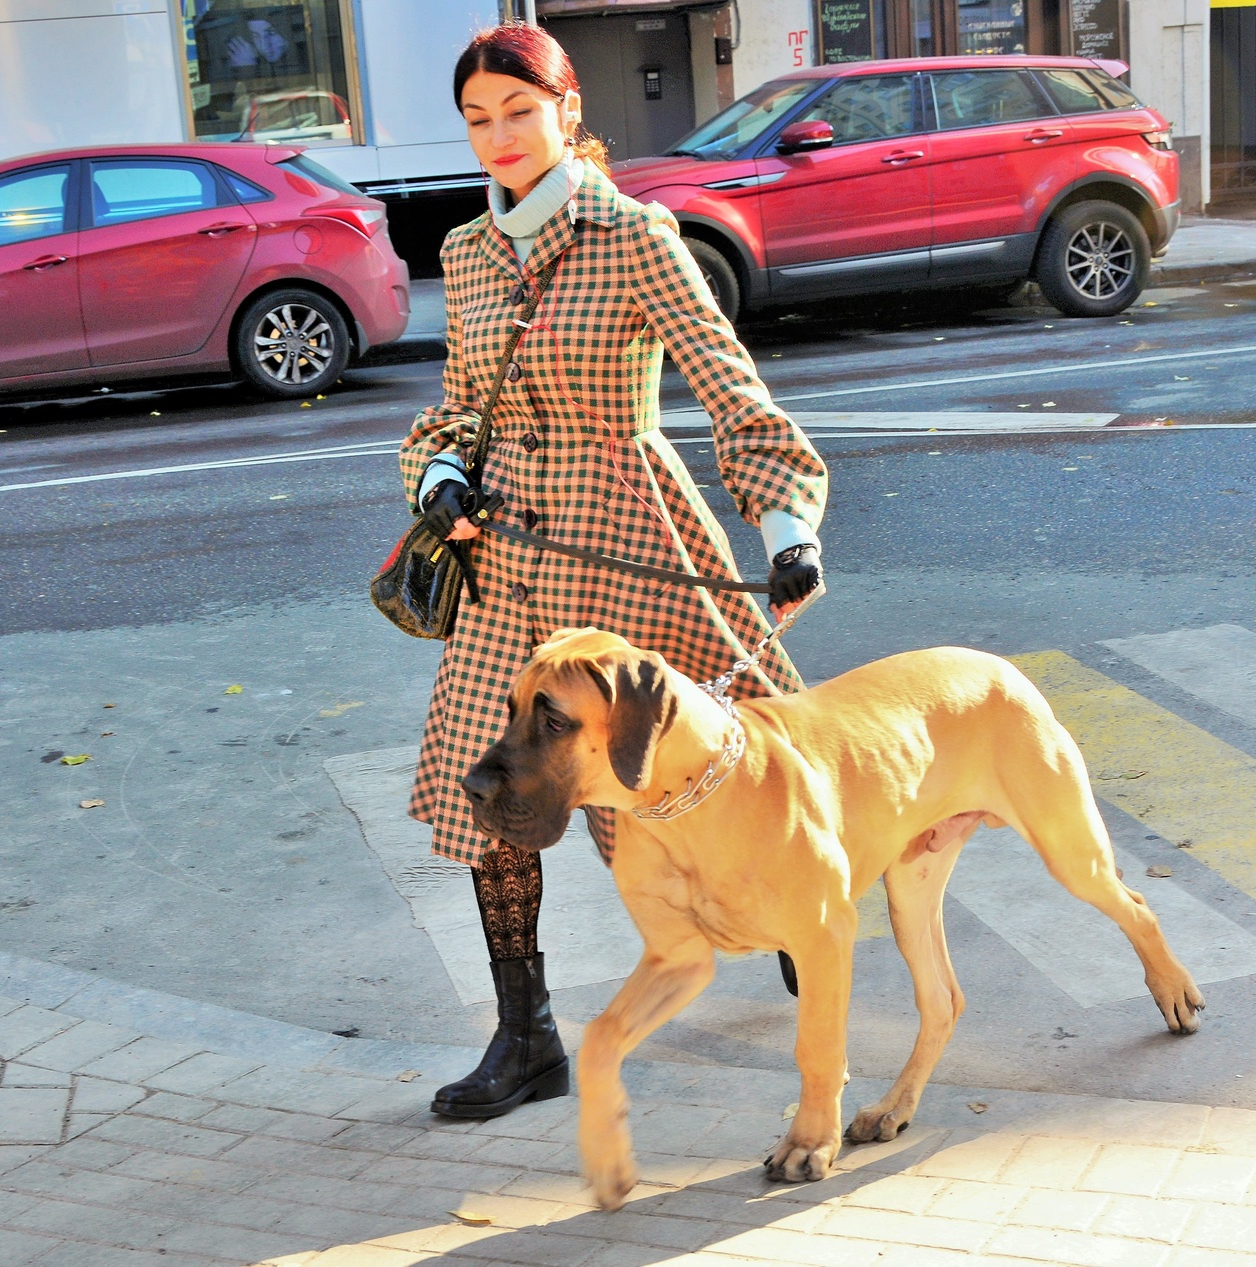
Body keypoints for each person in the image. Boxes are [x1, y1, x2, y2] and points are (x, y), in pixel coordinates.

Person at [401, 23, 827, 1120]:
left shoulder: (633, 234)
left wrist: (785, 528)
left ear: (566, 110)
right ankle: (526, 1036)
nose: (498, 136)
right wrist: (443, 475)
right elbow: (457, 405)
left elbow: (731, 390)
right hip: (504, 563)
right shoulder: (461, 252)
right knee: (492, 785)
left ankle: (789, 911)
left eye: (518, 110)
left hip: (628, 538)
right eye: (477, 119)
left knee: (714, 761)